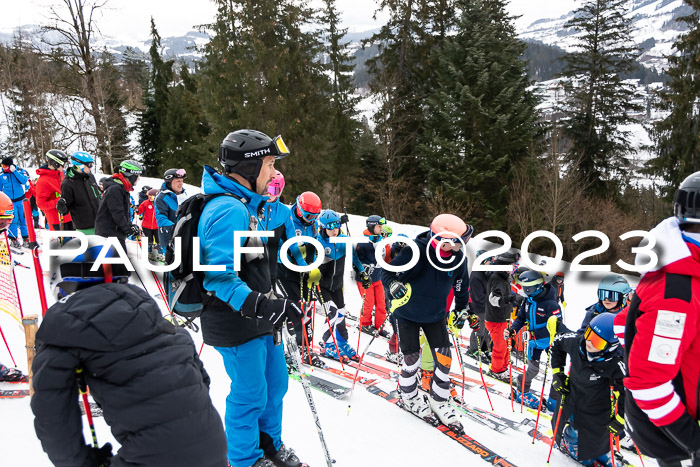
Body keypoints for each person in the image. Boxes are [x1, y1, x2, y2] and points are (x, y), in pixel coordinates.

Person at [31, 235, 228, 467]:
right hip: (213, 450)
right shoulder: (155, 318)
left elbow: (53, 416)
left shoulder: (61, 328)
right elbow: (200, 381)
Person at [197, 129, 305, 467]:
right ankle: (245, 459)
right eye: (270, 165)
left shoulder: (248, 206)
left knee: (275, 386)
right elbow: (217, 275)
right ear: (247, 167)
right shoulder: (227, 209)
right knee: (250, 394)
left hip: (259, 316)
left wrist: (278, 295)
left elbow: (255, 266)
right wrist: (262, 304)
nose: (274, 174)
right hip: (234, 318)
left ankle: (270, 444)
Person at [624, 171, 700, 467]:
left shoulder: (689, 268)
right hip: (674, 435)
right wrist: (693, 442)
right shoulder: (676, 294)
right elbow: (648, 383)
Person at [382, 213, 472, 430]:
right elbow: (386, 271)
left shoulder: (458, 259)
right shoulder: (416, 250)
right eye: (457, 242)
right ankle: (409, 395)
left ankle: (439, 399)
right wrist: (393, 285)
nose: (460, 246)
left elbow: (461, 287)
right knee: (412, 359)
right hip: (407, 313)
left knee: (444, 359)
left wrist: (461, 309)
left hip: (435, 315)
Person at [550, 313, 625, 467]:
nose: (589, 341)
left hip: (598, 401)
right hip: (573, 395)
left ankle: (599, 451)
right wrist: (557, 373)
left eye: (597, 340)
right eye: (589, 333)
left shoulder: (616, 362)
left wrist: (620, 419)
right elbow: (557, 342)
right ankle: (570, 443)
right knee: (575, 424)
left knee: (600, 427)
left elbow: (627, 391)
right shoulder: (577, 341)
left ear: (610, 346)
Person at [276, 191, 323, 365]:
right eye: (309, 215)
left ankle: (304, 347)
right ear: (300, 209)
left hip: (304, 272)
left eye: (315, 216)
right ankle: (285, 349)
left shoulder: (313, 225)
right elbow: (286, 247)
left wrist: (314, 266)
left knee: (307, 309)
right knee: (292, 307)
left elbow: (315, 245)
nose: (311, 219)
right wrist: (300, 265)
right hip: (285, 270)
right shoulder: (287, 219)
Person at [507, 269, 562, 409]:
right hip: (533, 344)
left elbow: (557, 326)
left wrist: (534, 334)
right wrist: (513, 329)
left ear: (538, 286)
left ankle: (554, 400)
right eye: (524, 288)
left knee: (557, 371)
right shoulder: (527, 301)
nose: (525, 291)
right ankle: (522, 390)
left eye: (529, 288)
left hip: (550, 342)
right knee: (533, 370)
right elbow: (520, 318)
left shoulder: (551, 304)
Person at [316, 209, 365, 361]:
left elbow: (355, 259)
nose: (334, 229)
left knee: (341, 314)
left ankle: (342, 343)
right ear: (323, 227)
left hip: (336, 285)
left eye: (336, 225)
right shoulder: (317, 241)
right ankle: (328, 345)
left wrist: (362, 272)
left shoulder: (344, 240)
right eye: (330, 227)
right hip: (321, 286)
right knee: (332, 312)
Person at [259, 170, 305, 291]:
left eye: (274, 190)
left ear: (280, 191)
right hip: (249, 272)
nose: (269, 194)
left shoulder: (284, 213)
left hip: (270, 274)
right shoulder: (251, 206)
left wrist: (303, 265)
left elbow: (292, 243)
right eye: (266, 189)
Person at [484, 252, 523, 381]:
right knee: (500, 347)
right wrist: (511, 298)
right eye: (513, 264)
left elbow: (504, 292)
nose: (515, 267)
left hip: (503, 318)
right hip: (496, 319)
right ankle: (496, 370)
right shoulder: (497, 278)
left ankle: (503, 367)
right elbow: (494, 299)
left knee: (506, 345)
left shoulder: (504, 277)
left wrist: (515, 297)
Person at [94, 160, 143, 250]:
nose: (138, 179)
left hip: (115, 233)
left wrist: (130, 226)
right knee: (119, 263)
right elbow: (117, 213)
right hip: (109, 234)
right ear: (131, 176)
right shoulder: (115, 189)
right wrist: (128, 228)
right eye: (137, 176)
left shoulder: (122, 188)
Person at [356, 215, 389, 337]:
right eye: (378, 226)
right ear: (371, 226)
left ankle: (380, 326)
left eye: (381, 226)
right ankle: (365, 324)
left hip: (378, 277)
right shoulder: (363, 241)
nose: (381, 229)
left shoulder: (380, 240)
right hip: (365, 278)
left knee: (381, 303)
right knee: (369, 303)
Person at [56, 151, 101, 235]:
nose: (91, 167)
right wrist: (61, 207)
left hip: (100, 223)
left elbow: (97, 195)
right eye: (89, 165)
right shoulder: (68, 183)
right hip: (84, 228)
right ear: (80, 165)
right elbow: (66, 208)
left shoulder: (90, 177)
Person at [36, 149, 73, 232]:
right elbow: (41, 204)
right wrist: (58, 201)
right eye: (62, 164)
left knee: (76, 243)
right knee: (65, 245)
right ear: (55, 163)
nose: (63, 167)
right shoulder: (43, 181)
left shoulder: (61, 174)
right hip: (57, 220)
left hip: (69, 216)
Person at [465, 252, 493, 362]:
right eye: (488, 262)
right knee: (479, 329)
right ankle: (473, 350)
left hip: (485, 306)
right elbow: (478, 296)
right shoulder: (476, 275)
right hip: (477, 306)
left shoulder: (484, 274)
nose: (490, 264)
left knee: (485, 330)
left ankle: (481, 348)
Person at [155, 168, 188, 256]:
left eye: (181, 181)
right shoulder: (161, 197)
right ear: (169, 182)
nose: (181, 183)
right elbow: (161, 219)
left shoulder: (183, 195)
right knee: (172, 263)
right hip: (169, 237)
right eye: (178, 181)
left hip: (184, 236)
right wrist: (177, 229)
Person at [0, 156, 29, 248]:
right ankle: (13, 238)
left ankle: (26, 238)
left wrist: (15, 171)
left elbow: (24, 181)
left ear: (10, 166)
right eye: (2, 166)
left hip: (21, 200)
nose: (3, 167)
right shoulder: (2, 175)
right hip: (10, 202)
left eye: (5, 166)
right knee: (13, 219)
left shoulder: (19, 171)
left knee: (23, 218)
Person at [138, 188, 160, 261]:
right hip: (146, 226)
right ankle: (149, 253)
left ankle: (160, 253)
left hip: (157, 226)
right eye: (149, 196)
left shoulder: (160, 203)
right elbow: (139, 210)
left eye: (152, 196)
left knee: (159, 240)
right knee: (148, 240)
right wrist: (136, 209)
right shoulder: (145, 203)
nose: (150, 198)